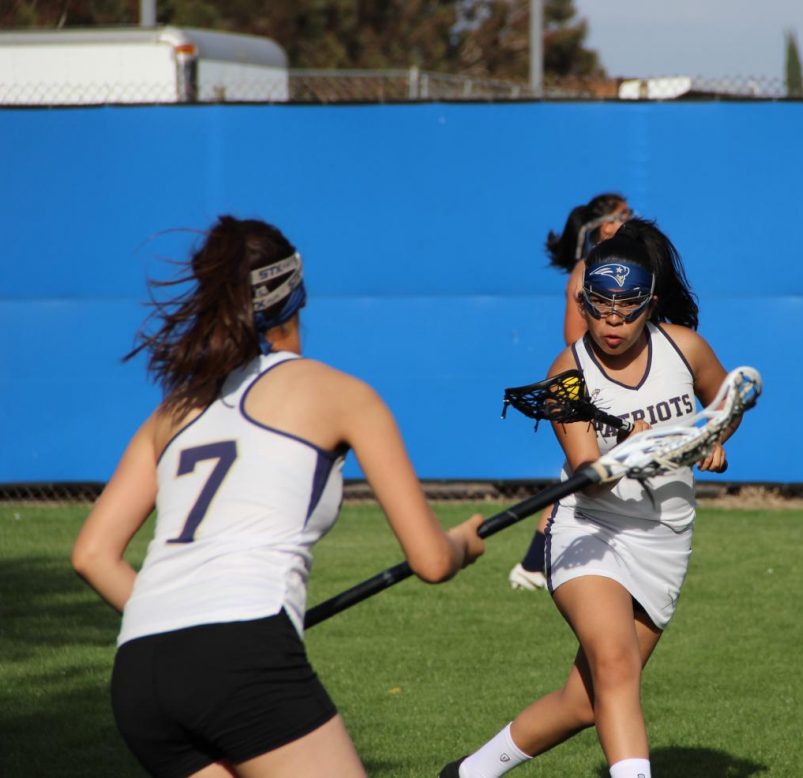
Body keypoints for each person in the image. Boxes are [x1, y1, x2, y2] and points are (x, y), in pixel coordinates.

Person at [71, 215, 486, 778]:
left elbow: (91, 554)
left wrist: (184, 625)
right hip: (243, 652)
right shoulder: (342, 395)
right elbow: (431, 561)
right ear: (298, 292)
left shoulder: (173, 410)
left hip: (141, 663)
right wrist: (462, 542)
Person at [442, 218, 733, 778]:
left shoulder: (686, 348)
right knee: (616, 665)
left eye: (627, 308)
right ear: (584, 299)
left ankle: (468, 774)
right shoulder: (568, 373)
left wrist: (714, 437)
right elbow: (586, 473)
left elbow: (725, 403)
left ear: (649, 302)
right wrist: (625, 445)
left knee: (585, 701)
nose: (613, 322)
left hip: (665, 541)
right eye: (600, 307)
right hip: (591, 533)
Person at [508, 192, 632, 591]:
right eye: (624, 215)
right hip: (589, 388)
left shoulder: (616, 269)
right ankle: (531, 565)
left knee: (582, 476)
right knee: (582, 475)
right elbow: (572, 338)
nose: (632, 220)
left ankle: (534, 564)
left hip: (605, 383)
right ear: (605, 226)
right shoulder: (587, 271)